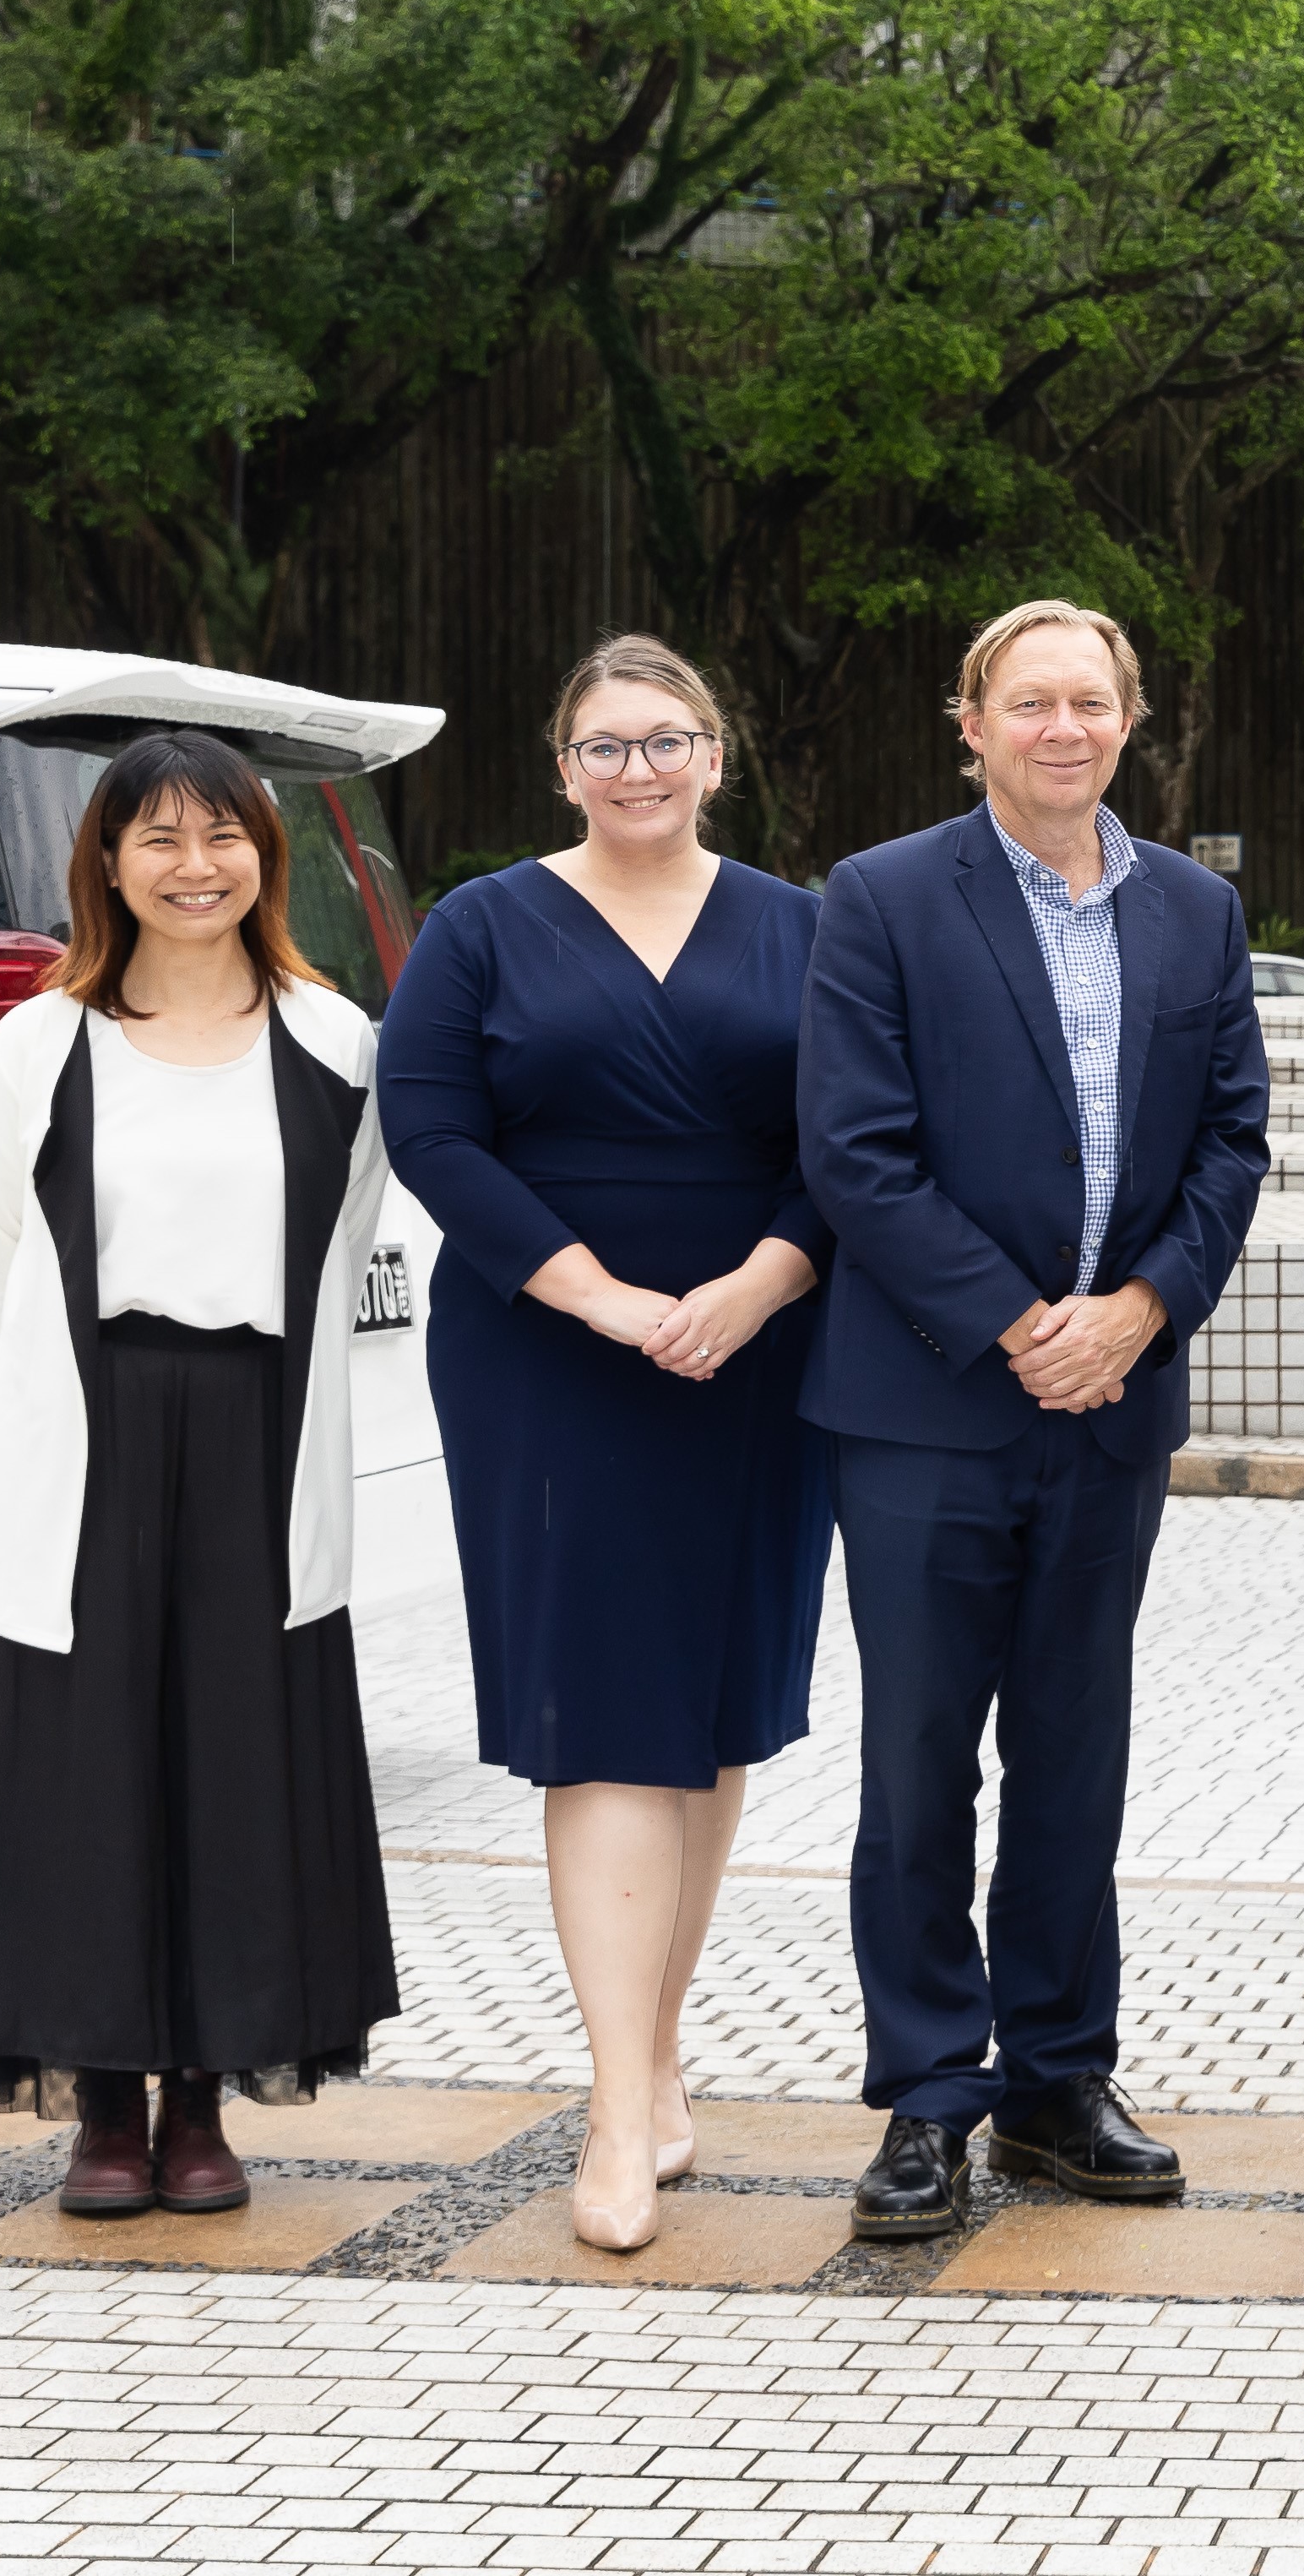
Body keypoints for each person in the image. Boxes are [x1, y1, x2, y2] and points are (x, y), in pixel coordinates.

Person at [797, 598, 1270, 2244]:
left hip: (1114, 1402)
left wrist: (1136, 1314)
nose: (1060, 727)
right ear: (971, 719)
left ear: (1126, 720)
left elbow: (1231, 1144)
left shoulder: (1197, 914)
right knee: (922, 1754)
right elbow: (852, 1149)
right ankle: (930, 2091)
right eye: (1028, 701)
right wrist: (1014, 1322)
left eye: (1089, 700)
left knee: (1075, 1746)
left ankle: (1059, 2078)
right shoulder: (877, 898)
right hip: (928, 1403)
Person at [377, 638, 834, 2255]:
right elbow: (428, 1126)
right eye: (603, 744)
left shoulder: (807, 926)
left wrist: (757, 1285)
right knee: (604, 1715)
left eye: (667, 740)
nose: (636, 768)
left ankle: (654, 2057)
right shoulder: (484, 925)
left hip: (757, 1351)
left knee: (710, 1717)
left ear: (718, 754)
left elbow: (853, 1136)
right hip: (548, 1356)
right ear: (559, 765)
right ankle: (613, 2104)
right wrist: (604, 1302)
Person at [0, 731, 399, 2217]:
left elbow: (346, 1235)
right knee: (86, 1765)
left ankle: (205, 2100)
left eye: (225, 837)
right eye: (160, 839)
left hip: (260, 1433)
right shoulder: (35, 1046)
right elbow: (0, 1249)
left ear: (265, 857)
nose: (195, 866)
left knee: (237, 1754)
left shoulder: (333, 1041)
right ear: (108, 865)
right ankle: (103, 2105)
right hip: (92, 1430)